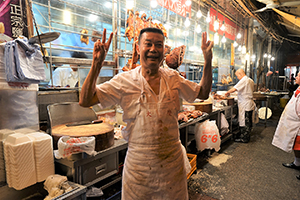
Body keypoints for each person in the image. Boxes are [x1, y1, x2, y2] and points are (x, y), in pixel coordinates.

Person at [79, 27, 213, 199]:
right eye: (148, 44)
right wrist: (96, 65)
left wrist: (208, 60)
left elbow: (202, 93)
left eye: (158, 45)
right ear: (137, 47)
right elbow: (85, 100)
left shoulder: (173, 78)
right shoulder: (124, 81)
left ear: (164, 50)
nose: (153, 49)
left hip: (171, 165)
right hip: (138, 169)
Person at [272, 72, 300, 180]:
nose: (296, 77)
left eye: (298, 76)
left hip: (297, 124)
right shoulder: (298, 88)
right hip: (292, 123)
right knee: (295, 146)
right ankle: (297, 163)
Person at [225, 69, 255, 143]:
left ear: (240, 74)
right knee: (248, 120)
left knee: (245, 121)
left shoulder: (244, 80)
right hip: (248, 103)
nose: (237, 77)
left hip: (245, 103)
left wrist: (227, 93)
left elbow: (234, 89)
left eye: (237, 76)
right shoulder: (250, 80)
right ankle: (246, 136)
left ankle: (244, 138)